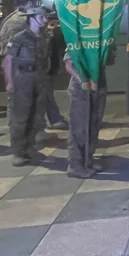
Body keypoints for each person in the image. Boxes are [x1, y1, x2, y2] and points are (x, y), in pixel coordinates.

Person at [3, 6, 50, 165]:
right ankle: (18, 151)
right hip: (22, 78)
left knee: (36, 115)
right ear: (32, 18)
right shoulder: (18, 37)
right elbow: (8, 61)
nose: (45, 20)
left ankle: (29, 146)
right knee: (20, 116)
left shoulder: (42, 38)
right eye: (42, 17)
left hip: (38, 77)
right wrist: (9, 82)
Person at [65, 45, 112, 178]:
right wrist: (84, 81)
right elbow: (69, 65)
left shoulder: (101, 41)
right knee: (79, 127)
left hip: (98, 87)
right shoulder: (78, 40)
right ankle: (75, 165)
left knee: (93, 125)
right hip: (81, 90)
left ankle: (87, 159)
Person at [42, 15, 69, 132]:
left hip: (48, 70)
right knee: (47, 96)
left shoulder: (50, 36)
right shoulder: (44, 38)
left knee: (47, 95)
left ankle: (54, 119)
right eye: (51, 24)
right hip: (44, 71)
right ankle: (55, 119)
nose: (52, 27)